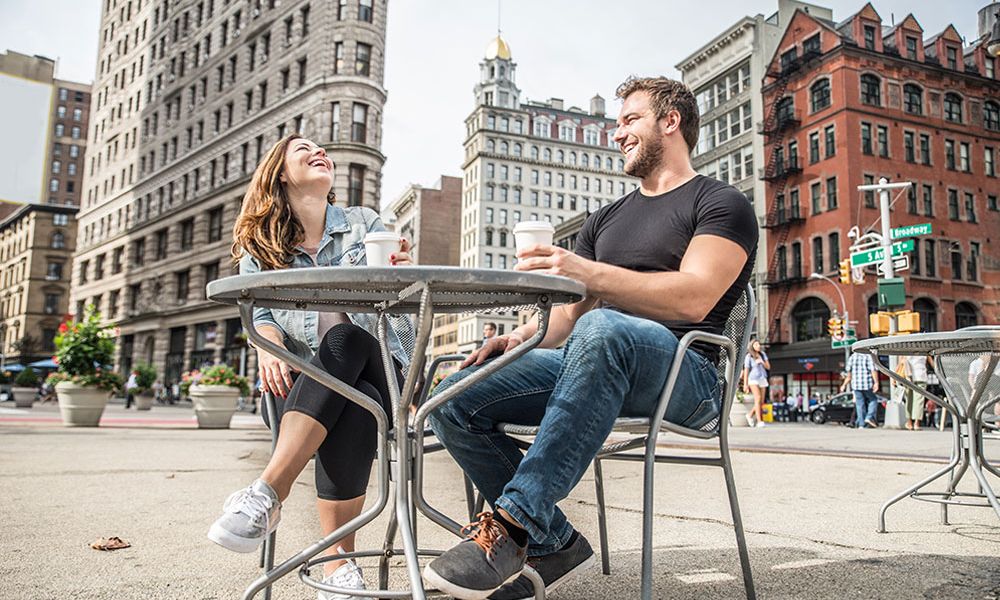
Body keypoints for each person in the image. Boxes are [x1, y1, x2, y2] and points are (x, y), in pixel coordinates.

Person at [423, 76, 758, 600]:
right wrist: (518, 339)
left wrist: (587, 272)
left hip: (687, 375)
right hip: (595, 359)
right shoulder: (605, 221)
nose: (617, 134)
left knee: (605, 328)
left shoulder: (720, 203)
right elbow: (567, 322)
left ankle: (513, 523)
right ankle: (554, 541)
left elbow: (694, 298)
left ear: (670, 122)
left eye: (630, 121)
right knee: (454, 394)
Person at [206, 134, 415, 600]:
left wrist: (401, 269)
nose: (320, 152)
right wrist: (266, 348)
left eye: (323, 149)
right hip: (308, 387)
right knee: (361, 404)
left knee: (347, 340)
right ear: (280, 172)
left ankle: (267, 493)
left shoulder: (365, 223)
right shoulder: (261, 247)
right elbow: (258, 314)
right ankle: (341, 569)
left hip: (388, 369)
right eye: (305, 150)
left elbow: (402, 300)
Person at [841, 352, 880, 429]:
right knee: (873, 400)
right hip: (867, 383)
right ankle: (869, 417)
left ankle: (862, 424)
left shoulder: (852, 357)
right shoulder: (868, 356)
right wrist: (876, 382)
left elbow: (849, 375)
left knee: (859, 404)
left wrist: (844, 385)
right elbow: (873, 370)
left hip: (856, 385)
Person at [741, 339, 769, 427]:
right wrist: (745, 384)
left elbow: (768, 367)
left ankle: (749, 415)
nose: (758, 346)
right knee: (758, 398)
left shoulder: (763, 355)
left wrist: (762, 361)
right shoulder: (749, 356)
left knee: (761, 401)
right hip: (753, 379)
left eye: (759, 344)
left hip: (762, 378)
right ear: (752, 346)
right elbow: (746, 370)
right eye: (756, 344)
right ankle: (759, 421)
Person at [901, 355, 930, 430]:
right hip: (921, 376)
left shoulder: (905, 348)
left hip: (908, 377)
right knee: (919, 400)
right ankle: (917, 423)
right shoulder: (924, 349)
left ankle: (909, 422)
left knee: (908, 399)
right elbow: (932, 363)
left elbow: (901, 362)